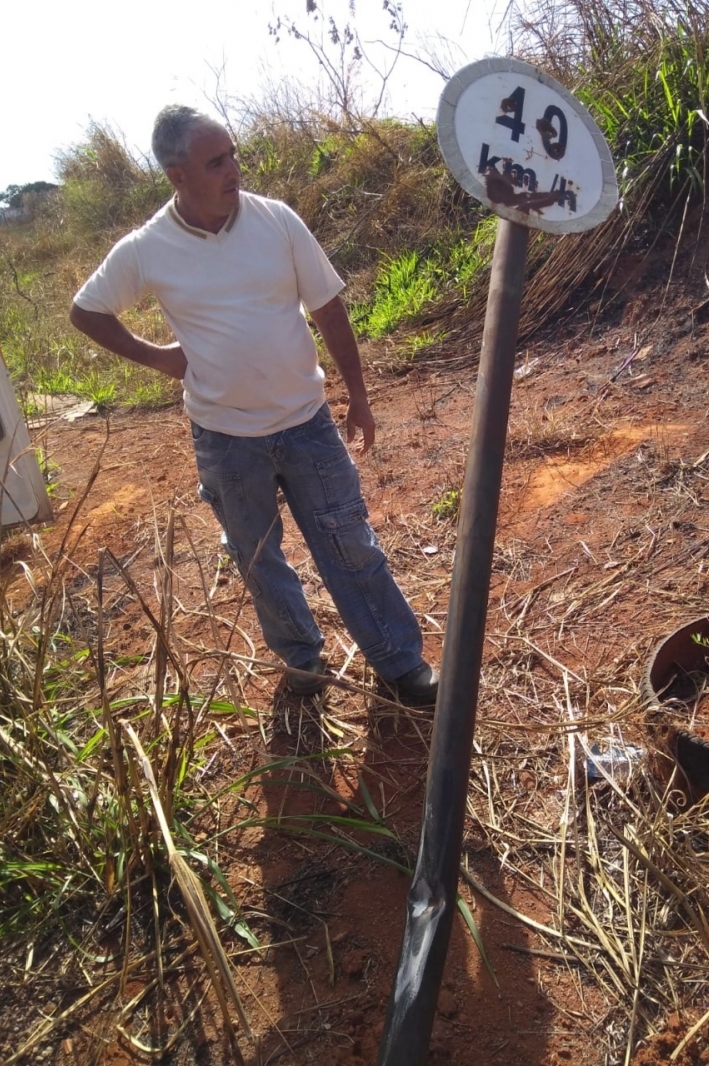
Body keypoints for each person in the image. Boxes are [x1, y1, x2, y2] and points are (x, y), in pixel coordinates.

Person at [69, 105, 438, 705]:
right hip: (224, 438)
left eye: (233, 154)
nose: (233, 169)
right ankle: (304, 663)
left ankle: (400, 663)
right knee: (259, 559)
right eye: (216, 162)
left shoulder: (277, 221)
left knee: (351, 546)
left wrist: (359, 396)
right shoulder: (148, 248)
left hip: (306, 423)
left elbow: (328, 307)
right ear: (177, 175)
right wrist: (162, 358)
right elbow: (86, 311)